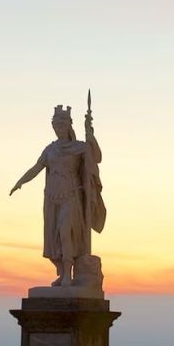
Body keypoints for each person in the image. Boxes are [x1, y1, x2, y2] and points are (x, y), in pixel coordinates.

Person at [9, 102, 107, 288]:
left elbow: (97, 157)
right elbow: (36, 168)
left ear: (68, 126)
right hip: (52, 197)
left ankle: (68, 275)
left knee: (64, 231)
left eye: (61, 126)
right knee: (54, 237)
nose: (58, 130)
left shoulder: (79, 147)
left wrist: (90, 135)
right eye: (55, 126)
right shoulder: (50, 149)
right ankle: (62, 273)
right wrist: (20, 182)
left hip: (71, 196)